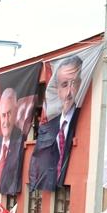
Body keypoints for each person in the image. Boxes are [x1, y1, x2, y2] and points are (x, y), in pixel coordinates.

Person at [29, 55, 83, 191]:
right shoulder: (49, 127)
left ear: (80, 83)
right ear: (58, 90)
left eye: (74, 83)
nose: (69, 92)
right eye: (64, 85)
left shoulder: (81, 117)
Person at [0, 87, 24, 196]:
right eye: (3, 115)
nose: (6, 121)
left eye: (9, 114)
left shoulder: (20, 139)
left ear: (16, 111)